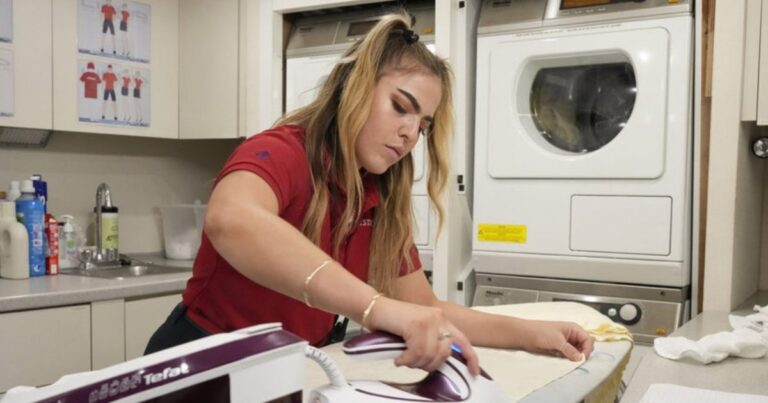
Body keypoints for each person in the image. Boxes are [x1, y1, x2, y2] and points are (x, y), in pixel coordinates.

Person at [144, 13, 593, 375]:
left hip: (288, 368)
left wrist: (532, 333)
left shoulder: (375, 197)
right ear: (355, 86)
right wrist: (377, 308)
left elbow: (425, 309)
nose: (409, 133)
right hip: (200, 361)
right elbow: (231, 220)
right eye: (401, 107)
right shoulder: (281, 152)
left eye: (423, 124)